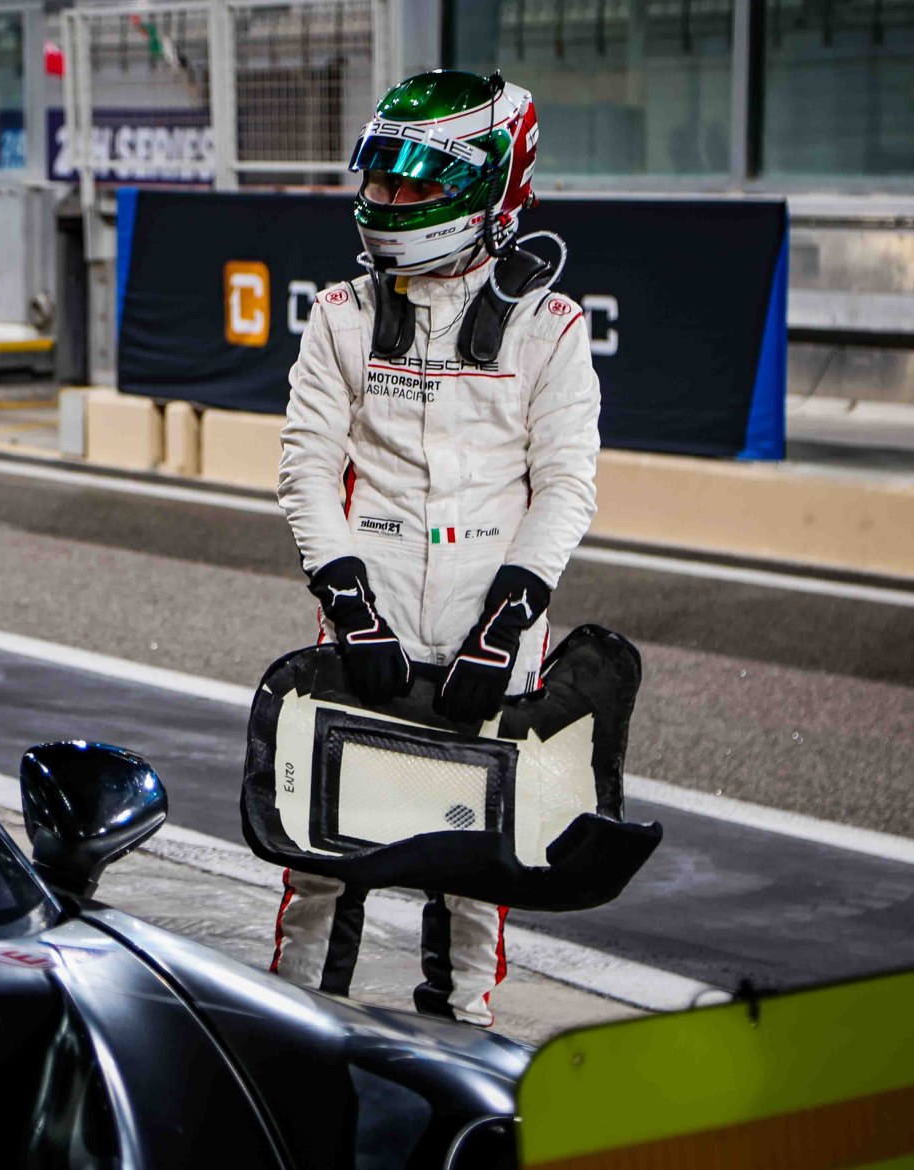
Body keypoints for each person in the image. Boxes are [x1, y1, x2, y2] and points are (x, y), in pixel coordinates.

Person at [271, 69, 600, 1027]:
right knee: (321, 855)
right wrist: (347, 606)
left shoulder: (550, 329)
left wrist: (505, 626)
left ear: (489, 185)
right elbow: (304, 469)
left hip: (490, 622)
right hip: (364, 607)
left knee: (477, 863)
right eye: (380, 176)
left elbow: (566, 487)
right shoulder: (341, 313)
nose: (387, 197)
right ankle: (293, 1029)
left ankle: (462, 1038)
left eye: (414, 181)